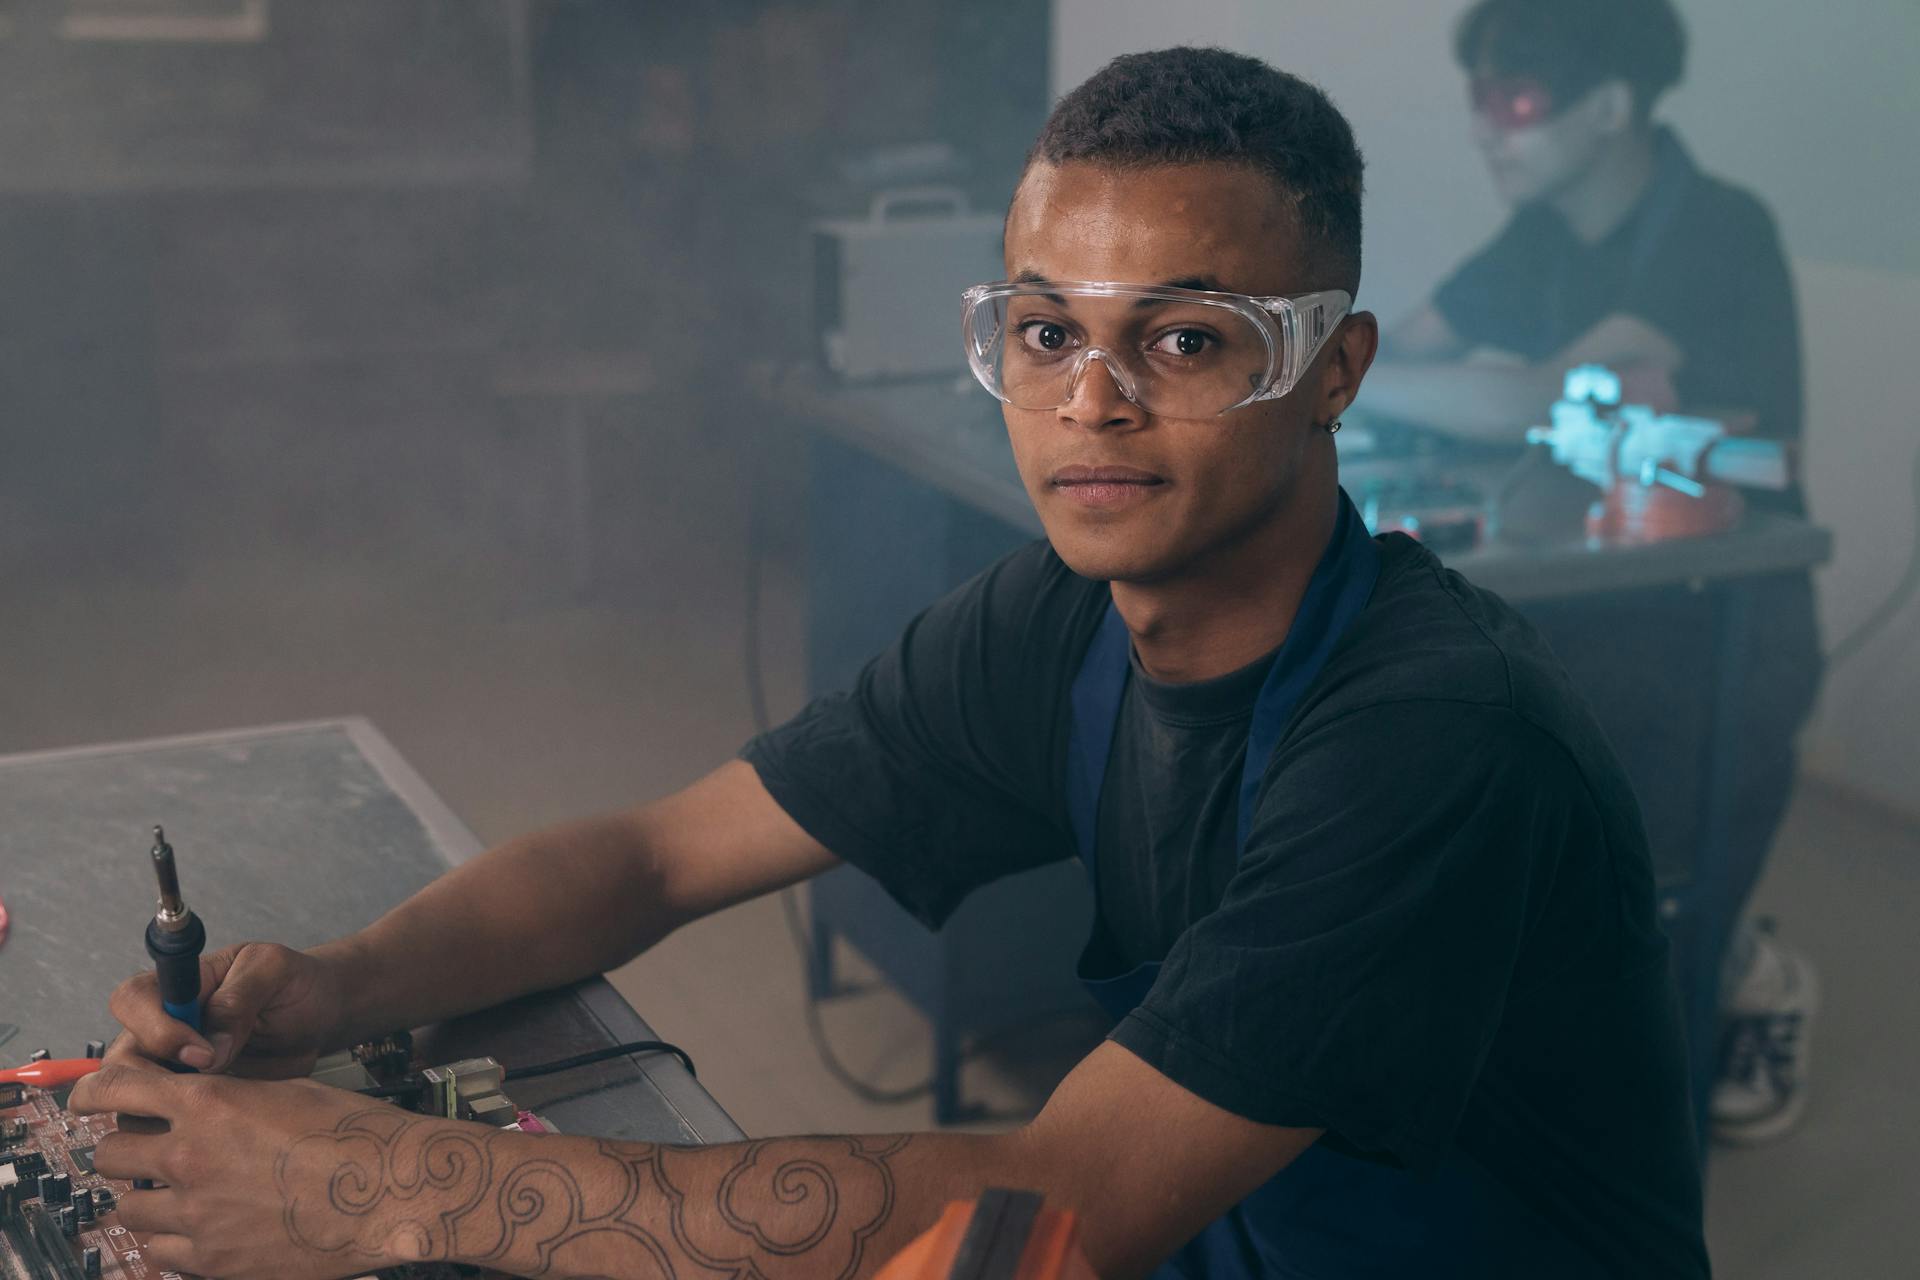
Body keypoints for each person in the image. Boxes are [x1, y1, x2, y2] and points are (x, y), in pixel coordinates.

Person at [81, 48, 1709, 1280]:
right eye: (1049, 331)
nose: (1093, 401)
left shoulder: (1438, 741)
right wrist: (339, 985)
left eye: (1189, 339)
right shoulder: (1056, 623)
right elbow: (655, 854)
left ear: (1332, 371)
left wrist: (370, 1191)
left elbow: (1068, 1199)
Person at [1365, 0, 1823, 1146]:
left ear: (1612, 106)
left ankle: (1751, 975)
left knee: (1659, 919)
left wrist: (1326, 378)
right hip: (1600, 595)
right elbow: (1404, 339)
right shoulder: (1540, 235)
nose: (1487, 129)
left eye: (1516, 98)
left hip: (1730, 624)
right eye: (1480, 96)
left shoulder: (1715, 228)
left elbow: (1533, 399)